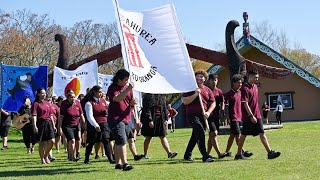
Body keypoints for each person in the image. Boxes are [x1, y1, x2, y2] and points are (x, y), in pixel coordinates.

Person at [235, 69, 281, 160]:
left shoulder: (255, 87)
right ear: (250, 76)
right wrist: (251, 116)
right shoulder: (244, 88)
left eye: (257, 77)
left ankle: (269, 152)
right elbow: (245, 103)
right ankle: (238, 154)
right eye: (255, 77)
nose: (257, 79)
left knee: (262, 133)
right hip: (249, 117)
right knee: (243, 135)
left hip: (257, 115)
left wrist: (256, 115)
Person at [183, 70, 215, 163]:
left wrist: (208, 112)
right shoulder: (190, 89)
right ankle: (205, 156)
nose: (199, 78)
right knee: (200, 132)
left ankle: (187, 154)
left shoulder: (207, 89)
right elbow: (185, 101)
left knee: (195, 136)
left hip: (203, 116)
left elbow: (213, 102)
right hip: (192, 115)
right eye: (197, 76)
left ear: (204, 79)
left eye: (201, 76)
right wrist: (196, 94)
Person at [107, 69, 135, 171]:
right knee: (121, 141)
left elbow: (129, 102)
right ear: (119, 79)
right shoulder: (112, 88)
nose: (127, 82)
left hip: (126, 117)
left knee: (119, 141)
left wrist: (132, 103)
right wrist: (128, 89)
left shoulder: (128, 88)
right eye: (125, 80)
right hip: (115, 119)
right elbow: (117, 99)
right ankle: (125, 164)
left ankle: (117, 163)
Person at [84, 85, 115, 165]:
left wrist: (109, 109)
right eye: (99, 92)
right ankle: (86, 158)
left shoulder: (104, 101)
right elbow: (89, 116)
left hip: (104, 124)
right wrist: (96, 125)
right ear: (94, 92)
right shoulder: (89, 103)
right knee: (91, 142)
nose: (101, 94)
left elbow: (112, 107)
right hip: (94, 125)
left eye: (102, 92)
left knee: (106, 140)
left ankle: (111, 159)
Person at [141, 93, 178, 159]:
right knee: (148, 137)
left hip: (160, 120)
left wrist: (166, 119)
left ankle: (169, 153)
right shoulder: (147, 97)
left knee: (163, 136)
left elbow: (164, 108)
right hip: (151, 120)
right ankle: (145, 154)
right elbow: (146, 109)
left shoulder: (161, 97)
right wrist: (149, 120)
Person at [223, 74, 252, 158]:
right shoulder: (229, 94)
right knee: (238, 135)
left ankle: (227, 151)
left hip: (240, 117)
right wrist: (228, 118)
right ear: (233, 83)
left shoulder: (241, 93)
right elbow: (226, 107)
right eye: (238, 83)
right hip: (233, 118)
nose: (240, 84)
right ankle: (243, 151)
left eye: (241, 83)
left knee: (232, 135)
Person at [59, 90, 86, 161]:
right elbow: (61, 117)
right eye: (71, 97)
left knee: (78, 138)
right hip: (67, 125)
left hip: (76, 124)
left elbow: (81, 115)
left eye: (74, 97)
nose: (73, 99)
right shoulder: (64, 104)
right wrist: (60, 127)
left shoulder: (78, 103)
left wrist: (84, 124)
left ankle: (77, 153)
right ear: (68, 98)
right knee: (72, 140)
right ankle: (73, 156)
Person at [31, 88, 56, 164]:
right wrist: (35, 125)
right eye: (42, 93)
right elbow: (34, 115)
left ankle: (46, 155)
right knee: (42, 142)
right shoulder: (35, 104)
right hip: (40, 123)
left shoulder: (48, 103)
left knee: (52, 141)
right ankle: (42, 159)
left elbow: (51, 115)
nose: (44, 94)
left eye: (45, 93)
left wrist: (54, 125)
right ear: (38, 94)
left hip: (48, 123)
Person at [206, 74, 227, 159]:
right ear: (209, 81)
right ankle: (219, 154)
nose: (214, 82)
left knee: (212, 135)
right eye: (212, 80)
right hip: (208, 116)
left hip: (216, 116)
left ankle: (207, 154)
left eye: (215, 80)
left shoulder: (219, 91)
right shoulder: (206, 90)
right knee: (214, 133)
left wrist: (222, 110)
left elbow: (222, 102)